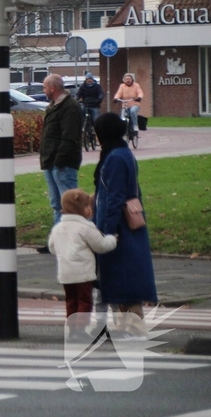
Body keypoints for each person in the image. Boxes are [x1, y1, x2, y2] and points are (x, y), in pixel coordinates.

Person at [92, 112, 157, 332]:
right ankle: (126, 326)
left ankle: (131, 327)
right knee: (125, 277)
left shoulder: (115, 157)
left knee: (121, 277)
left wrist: (108, 232)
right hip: (125, 226)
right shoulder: (122, 153)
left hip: (119, 229)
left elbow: (114, 197)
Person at [47, 189, 118, 321]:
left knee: (71, 301)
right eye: (87, 206)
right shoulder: (86, 227)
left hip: (65, 273)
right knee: (84, 301)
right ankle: (80, 329)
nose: (90, 210)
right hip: (83, 274)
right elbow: (101, 245)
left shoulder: (58, 228)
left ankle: (72, 329)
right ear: (79, 209)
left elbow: (52, 248)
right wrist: (112, 239)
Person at [39, 74, 83, 246]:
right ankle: (59, 241)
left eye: (44, 87)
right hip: (51, 162)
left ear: (52, 88)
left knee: (70, 204)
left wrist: (59, 160)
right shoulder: (53, 106)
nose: (43, 91)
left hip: (62, 163)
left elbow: (69, 136)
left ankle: (75, 239)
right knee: (57, 204)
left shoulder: (70, 107)